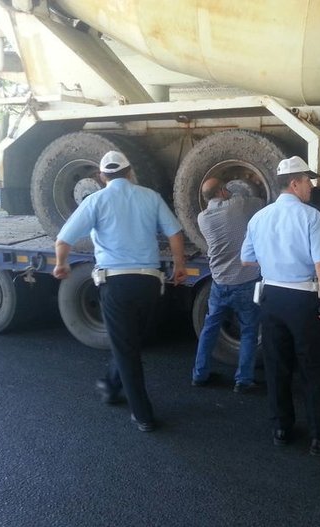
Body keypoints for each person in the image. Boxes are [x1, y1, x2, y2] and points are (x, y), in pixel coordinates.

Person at [52, 150, 187, 433]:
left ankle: (143, 415)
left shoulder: (95, 200)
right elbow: (175, 233)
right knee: (130, 342)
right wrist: (179, 266)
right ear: (130, 172)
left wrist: (62, 264)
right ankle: (111, 384)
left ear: (102, 177)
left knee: (127, 348)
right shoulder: (149, 196)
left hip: (115, 283)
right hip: (150, 283)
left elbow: (63, 239)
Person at [241, 155, 320, 457]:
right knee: (313, 367)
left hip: (271, 295)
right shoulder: (311, 217)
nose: (312, 186)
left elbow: (247, 258)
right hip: (302, 298)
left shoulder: (259, 218)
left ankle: (281, 428)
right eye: (308, 180)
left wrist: (273, 258)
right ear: (294, 183)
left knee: (277, 366)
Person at [191, 178, 265, 393]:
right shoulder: (238, 205)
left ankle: (199, 374)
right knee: (250, 331)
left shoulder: (202, 217)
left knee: (210, 329)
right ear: (223, 191)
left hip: (219, 283)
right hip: (245, 281)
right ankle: (243, 380)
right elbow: (259, 201)